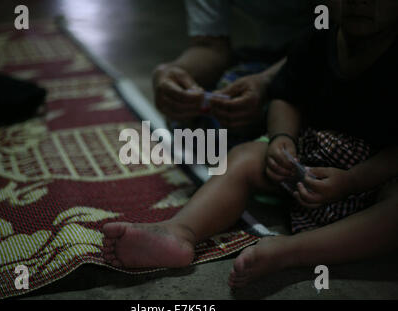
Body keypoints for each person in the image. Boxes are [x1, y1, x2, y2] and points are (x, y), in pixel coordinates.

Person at [103, 0, 398, 288]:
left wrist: (354, 181)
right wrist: (281, 139)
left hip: (378, 177)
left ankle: (291, 251)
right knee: (244, 157)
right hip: (312, 162)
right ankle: (180, 231)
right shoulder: (320, 35)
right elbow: (286, 94)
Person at [153, 0, 315, 142]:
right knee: (198, 116)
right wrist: (174, 72)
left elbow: (326, 37)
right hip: (272, 55)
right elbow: (210, 46)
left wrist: (267, 81)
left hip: (327, 57)